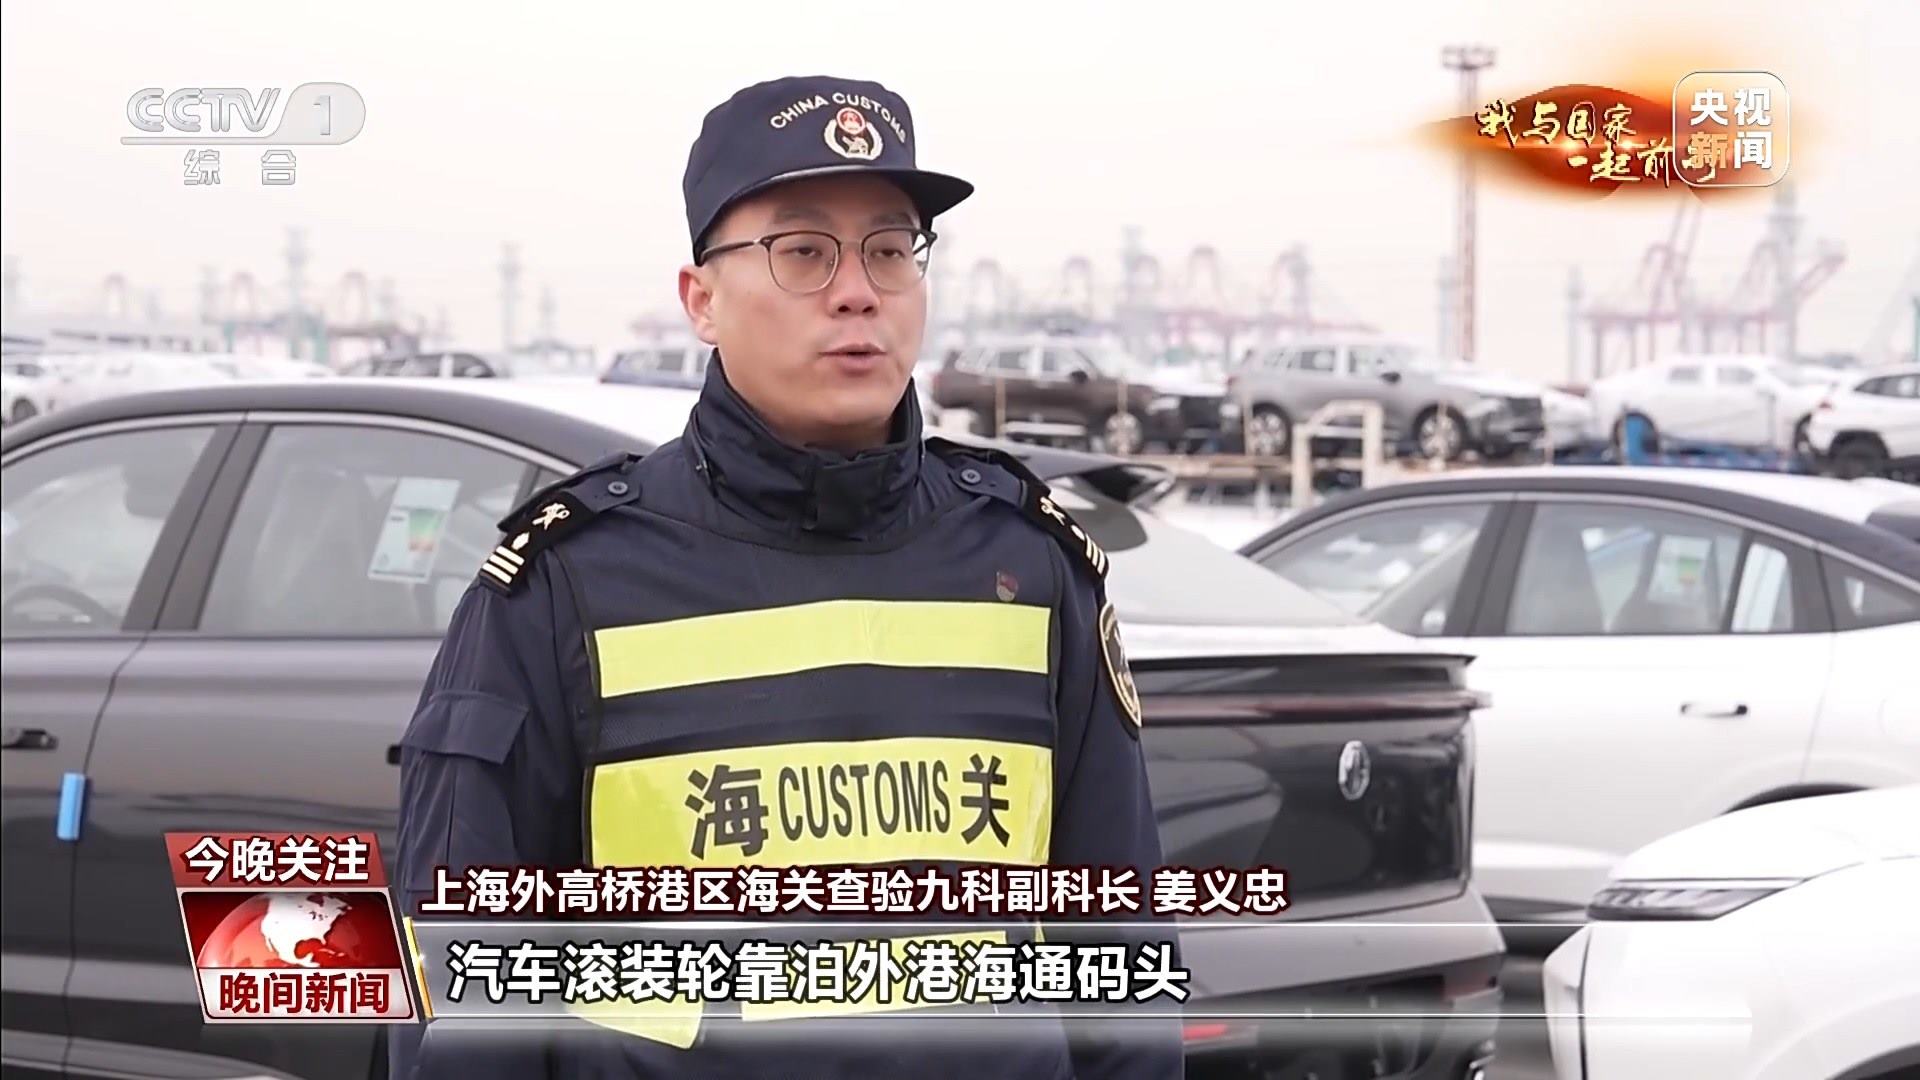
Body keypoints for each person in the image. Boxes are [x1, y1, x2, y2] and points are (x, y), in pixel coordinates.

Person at [391, 74, 1181, 1080]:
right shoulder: (563, 587)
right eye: (804, 251)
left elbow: (1118, 963)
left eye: (890, 250)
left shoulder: (1028, 566)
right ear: (702, 300)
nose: (859, 291)